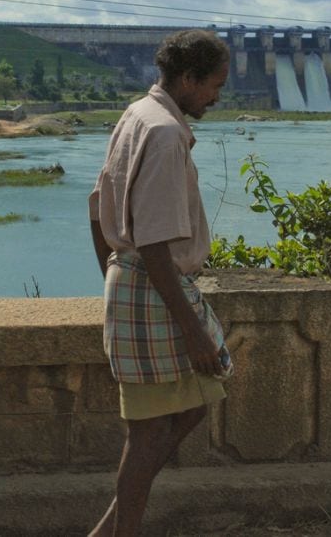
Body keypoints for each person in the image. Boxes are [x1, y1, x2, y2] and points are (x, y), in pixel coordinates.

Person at [87, 29, 234, 536]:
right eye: (214, 84)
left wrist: (110, 272)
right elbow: (153, 243)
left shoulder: (137, 114)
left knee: (197, 396)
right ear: (189, 78)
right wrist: (191, 329)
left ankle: (109, 531)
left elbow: (95, 204)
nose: (217, 95)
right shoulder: (167, 133)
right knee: (149, 434)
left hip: (133, 282)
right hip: (154, 283)